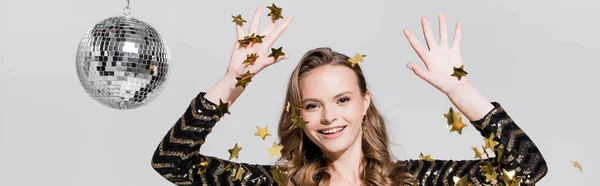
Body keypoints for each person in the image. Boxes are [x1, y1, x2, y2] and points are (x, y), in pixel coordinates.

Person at [151, 5, 548, 186]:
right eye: (312, 105)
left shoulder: (413, 180)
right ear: (298, 115)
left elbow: (527, 169)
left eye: (342, 100)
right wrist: (233, 80)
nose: (328, 118)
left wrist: (459, 89)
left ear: (364, 103)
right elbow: (172, 163)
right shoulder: (275, 182)